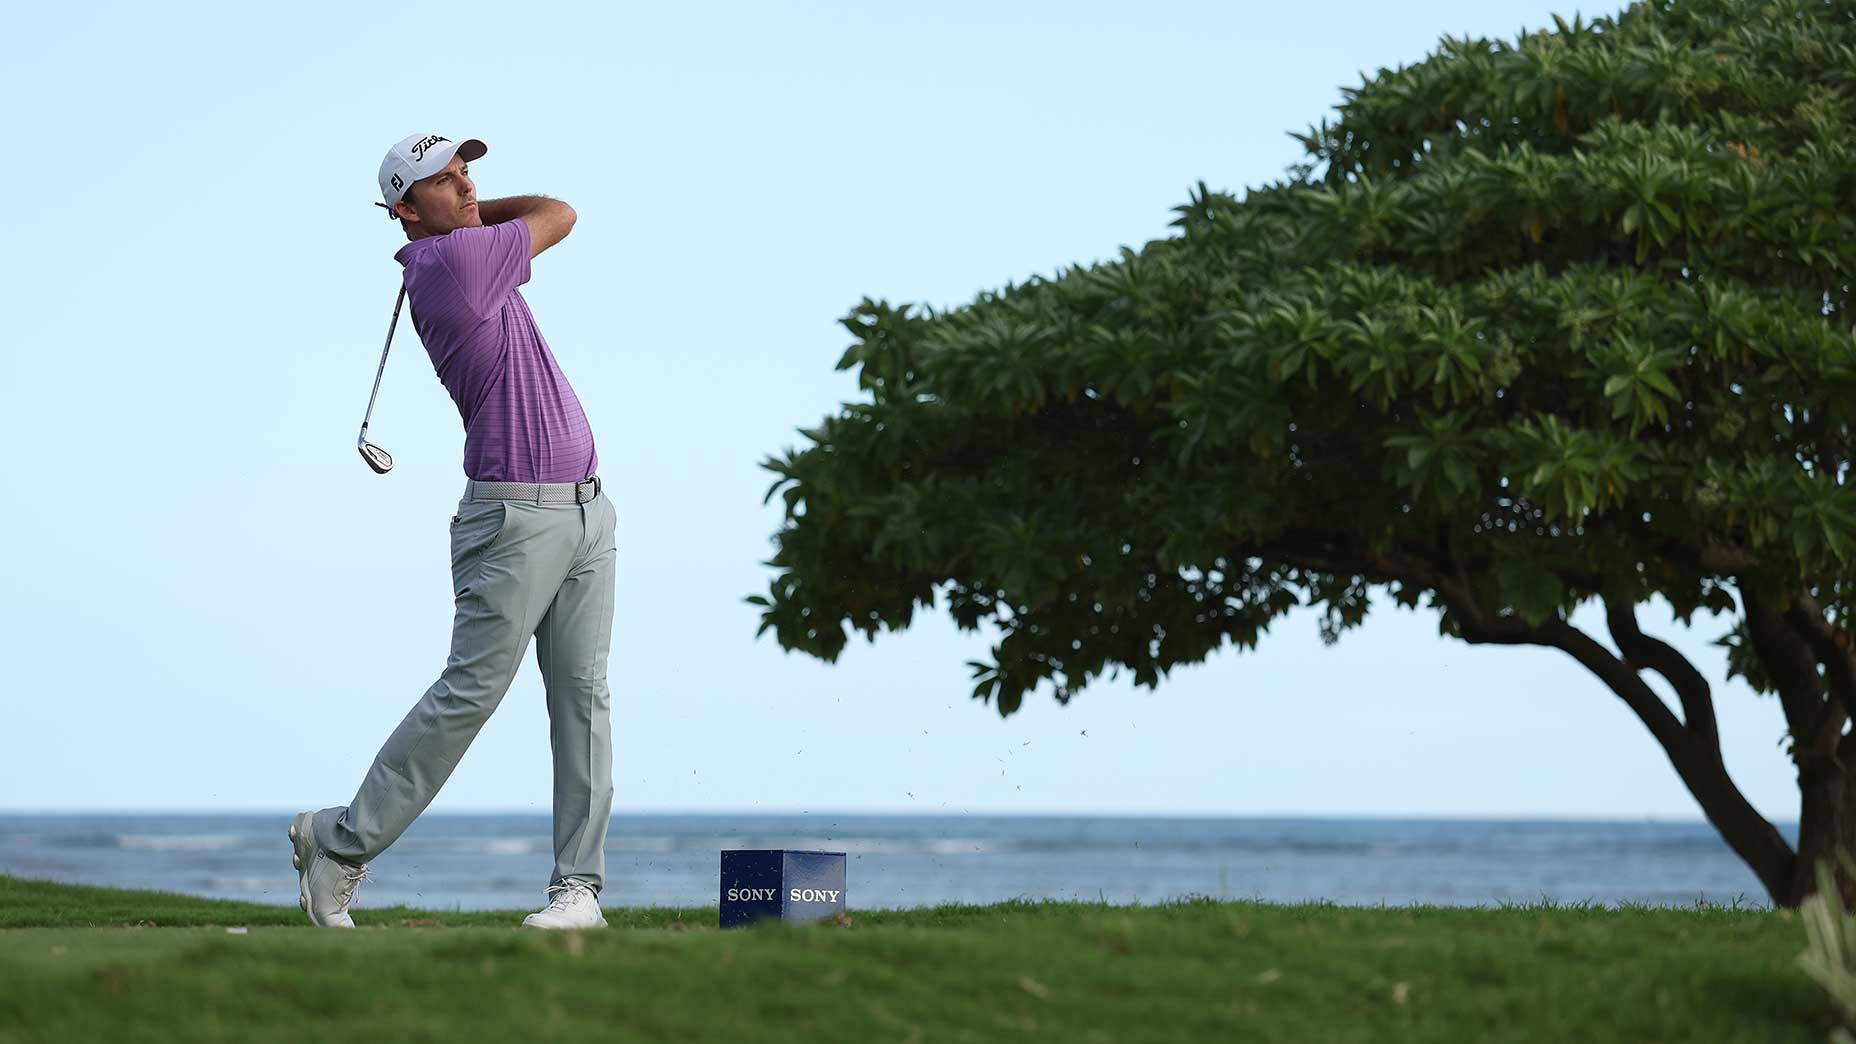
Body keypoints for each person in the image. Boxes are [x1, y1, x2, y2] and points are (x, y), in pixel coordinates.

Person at [289, 133, 616, 929]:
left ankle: (578, 892)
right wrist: (466, 226)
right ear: (403, 209)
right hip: (514, 517)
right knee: (471, 693)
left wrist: (461, 214)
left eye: (469, 175)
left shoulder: (462, 250)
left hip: (585, 511)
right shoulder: (452, 264)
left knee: (584, 699)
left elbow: (518, 218)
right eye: (445, 182)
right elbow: (559, 213)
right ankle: (339, 844)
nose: (468, 188)